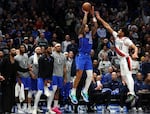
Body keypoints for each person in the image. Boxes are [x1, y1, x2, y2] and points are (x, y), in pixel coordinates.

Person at [95, 11, 138, 104]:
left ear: (123, 33)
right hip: (121, 60)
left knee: (128, 75)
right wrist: (99, 18)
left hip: (126, 59)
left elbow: (135, 47)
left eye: (120, 31)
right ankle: (132, 95)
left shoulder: (126, 40)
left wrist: (135, 53)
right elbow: (107, 26)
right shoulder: (117, 37)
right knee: (124, 78)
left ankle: (132, 93)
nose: (118, 31)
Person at [69, 6, 98, 104]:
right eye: (85, 27)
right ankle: (73, 91)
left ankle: (84, 91)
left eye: (87, 27)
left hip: (88, 57)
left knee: (90, 75)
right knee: (79, 75)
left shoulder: (91, 34)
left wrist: (93, 15)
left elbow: (96, 26)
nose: (86, 27)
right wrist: (86, 13)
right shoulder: (81, 34)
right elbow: (84, 23)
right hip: (81, 56)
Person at [32, 45, 55, 114]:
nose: (51, 50)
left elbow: (51, 69)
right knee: (40, 92)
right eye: (49, 49)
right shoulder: (41, 58)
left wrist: (49, 79)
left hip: (49, 78)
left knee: (51, 92)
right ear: (45, 50)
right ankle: (35, 108)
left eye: (51, 49)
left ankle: (49, 108)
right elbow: (41, 70)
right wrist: (45, 80)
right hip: (41, 77)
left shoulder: (52, 58)